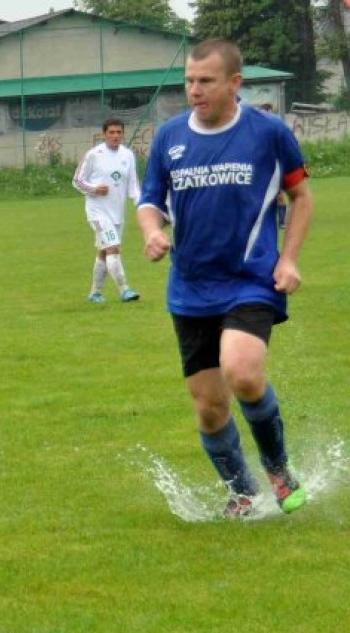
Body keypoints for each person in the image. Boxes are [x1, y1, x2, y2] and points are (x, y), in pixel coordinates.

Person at [138, 39, 314, 518]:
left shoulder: (268, 133)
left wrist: (289, 259)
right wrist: (152, 231)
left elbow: (301, 196)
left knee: (243, 372)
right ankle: (242, 492)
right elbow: (150, 200)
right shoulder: (170, 137)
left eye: (206, 81)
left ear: (235, 83)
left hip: (250, 280)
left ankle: (279, 470)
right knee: (210, 407)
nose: (194, 90)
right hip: (190, 288)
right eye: (189, 81)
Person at [72, 118, 141, 304]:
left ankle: (95, 293)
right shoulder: (94, 154)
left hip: (117, 212)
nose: (115, 136)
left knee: (104, 251)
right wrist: (94, 189)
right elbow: (77, 181)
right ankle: (125, 290)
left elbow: (133, 185)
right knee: (113, 247)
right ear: (103, 134)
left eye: (119, 132)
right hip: (97, 212)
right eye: (111, 132)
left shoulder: (128, 155)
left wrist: (141, 205)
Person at [258, 103, 290, 229]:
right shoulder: (256, 131)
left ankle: (281, 222)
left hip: (275, 168)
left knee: (280, 196)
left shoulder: (275, 129)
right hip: (262, 169)